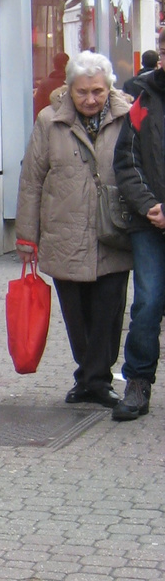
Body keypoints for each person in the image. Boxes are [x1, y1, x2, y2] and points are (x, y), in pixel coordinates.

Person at [16, 52, 132, 408]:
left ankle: (93, 379)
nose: (90, 99)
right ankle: (91, 376)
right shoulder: (49, 121)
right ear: (69, 89)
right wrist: (26, 236)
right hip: (64, 231)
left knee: (109, 314)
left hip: (113, 231)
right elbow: (32, 180)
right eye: (82, 92)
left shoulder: (128, 118)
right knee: (77, 314)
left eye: (97, 91)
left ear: (109, 88)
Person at [111, 42, 165, 419]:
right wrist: (149, 206)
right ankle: (138, 381)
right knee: (147, 303)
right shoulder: (144, 100)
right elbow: (126, 161)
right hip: (152, 223)